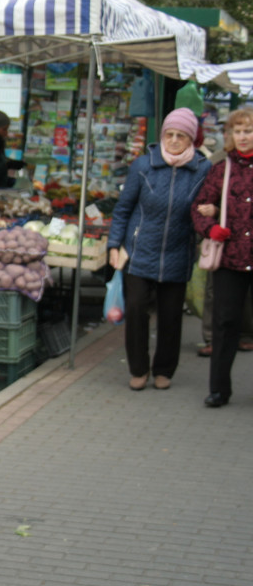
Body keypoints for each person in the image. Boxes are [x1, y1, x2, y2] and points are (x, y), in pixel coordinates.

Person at [107, 108, 211, 391]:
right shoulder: (143, 165)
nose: (174, 140)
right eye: (170, 134)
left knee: (170, 315)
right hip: (139, 250)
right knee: (138, 309)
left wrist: (210, 211)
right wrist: (114, 244)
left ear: (191, 139)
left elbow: (207, 209)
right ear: (162, 135)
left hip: (178, 252)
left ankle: (164, 369)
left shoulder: (203, 169)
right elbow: (124, 208)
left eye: (181, 136)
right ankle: (139, 369)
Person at [192, 107, 253, 408]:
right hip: (229, 259)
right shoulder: (221, 168)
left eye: (248, 131)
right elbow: (200, 205)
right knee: (225, 323)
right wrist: (211, 227)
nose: (243, 137)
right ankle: (219, 389)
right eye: (238, 131)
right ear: (230, 135)